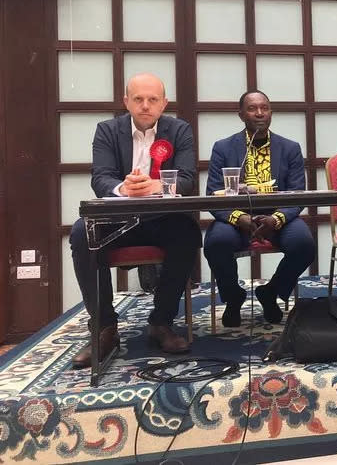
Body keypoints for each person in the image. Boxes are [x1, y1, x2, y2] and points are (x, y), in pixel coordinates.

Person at [69, 73, 201, 368]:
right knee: (81, 233)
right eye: (138, 99)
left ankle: (161, 322)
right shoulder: (107, 130)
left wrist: (160, 186)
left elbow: (188, 178)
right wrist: (123, 188)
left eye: (152, 99)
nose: (145, 106)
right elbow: (100, 177)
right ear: (126, 101)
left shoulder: (179, 130)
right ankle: (104, 327)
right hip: (119, 217)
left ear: (164, 103)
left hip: (161, 217)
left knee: (188, 231)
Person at [203, 90, 315, 327]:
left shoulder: (290, 148)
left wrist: (276, 219)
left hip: (278, 218)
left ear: (271, 112)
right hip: (236, 219)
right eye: (253, 109)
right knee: (216, 242)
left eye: (264, 108)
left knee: (304, 243)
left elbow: (298, 194)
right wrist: (239, 217)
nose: (260, 113)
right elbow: (212, 194)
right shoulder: (223, 148)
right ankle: (233, 297)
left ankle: (271, 291)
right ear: (241, 114)